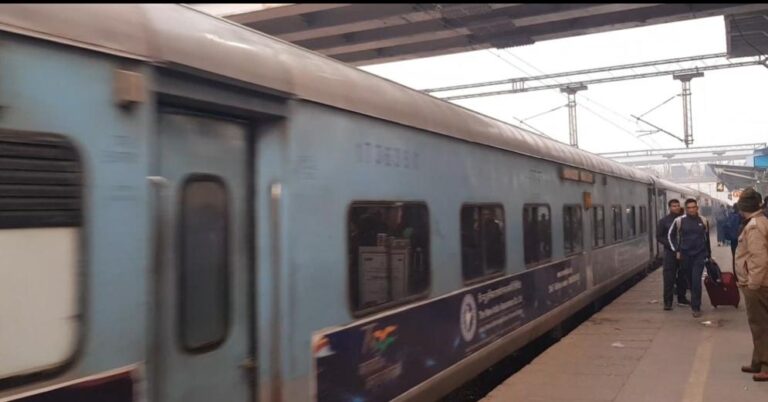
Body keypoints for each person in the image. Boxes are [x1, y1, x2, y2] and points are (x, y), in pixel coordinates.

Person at [734, 188, 768, 382]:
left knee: (761, 325)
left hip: (758, 284)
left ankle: (765, 365)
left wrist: (753, 284)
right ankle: (757, 361)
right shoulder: (759, 222)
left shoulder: (754, 226)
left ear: (743, 207)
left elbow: (759, 258)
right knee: (758, 324)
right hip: (759, 282)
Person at [668, 198, 712, 318]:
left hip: (699, 255)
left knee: (696, 280)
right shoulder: (679, 221)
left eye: (694, 207)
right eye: (689, 208)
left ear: (697, 208)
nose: (692, 210)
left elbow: (706, 239)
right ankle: (695, 300)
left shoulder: (703, 220)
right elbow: (670, 235)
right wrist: (676, 250)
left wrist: (709, 255)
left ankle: (696, 307)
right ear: (686, 209)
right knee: (690, 281)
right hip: (685, 256)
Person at [656, 199, 689, 310]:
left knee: (682, 276)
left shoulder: (684, 220)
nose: (676, 207)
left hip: (684, 253)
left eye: (677, 205)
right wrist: (671, 245)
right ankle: (668, 301)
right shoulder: (664, 221)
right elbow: (659, 236)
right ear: (669, 207)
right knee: (669, 277)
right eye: (673, 206)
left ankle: (681, 298)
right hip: (670, 254)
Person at [724, 204, 743, 269]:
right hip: (741, 240)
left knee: (734, 257)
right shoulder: (742, 216)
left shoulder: (730, 215)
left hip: (733, 240)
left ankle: (735, 274)